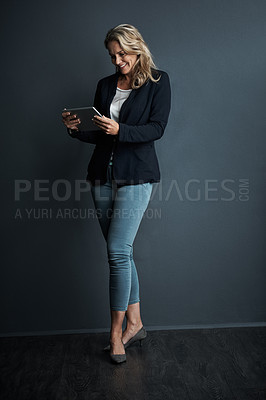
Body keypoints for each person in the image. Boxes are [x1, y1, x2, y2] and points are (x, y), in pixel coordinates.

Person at [62, 24, 171, 364]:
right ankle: (135, 324)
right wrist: (77, 130)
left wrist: (120, 129)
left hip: (137, 175)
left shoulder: (158, 81)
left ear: (137, 48)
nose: (117, 60)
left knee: (116, 251)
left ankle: (115, 334)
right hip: (102, 176)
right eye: (112, 56)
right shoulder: (105, 85)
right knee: (121, 253)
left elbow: (157, 128)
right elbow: (99, 134)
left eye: (122, 53)